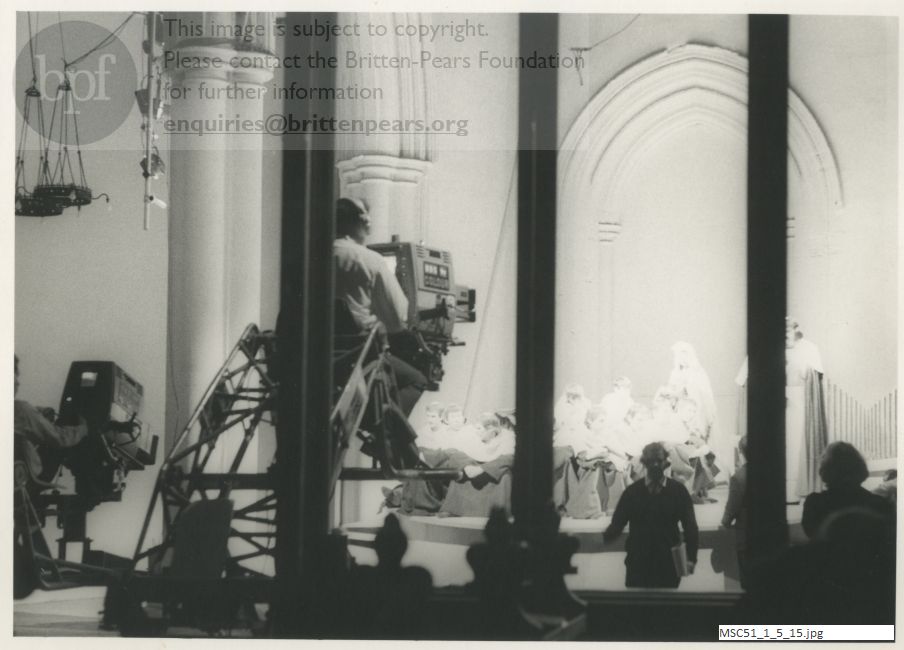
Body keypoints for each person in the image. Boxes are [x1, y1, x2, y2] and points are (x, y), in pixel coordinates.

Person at [333, 197, 426, 415]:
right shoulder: (369, 260)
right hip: (355, 356)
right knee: (416, 379)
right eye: (366, 214)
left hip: (312, 354)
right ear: (359, 221)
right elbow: (398, 318)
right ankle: (381, 427)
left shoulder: (310, 256)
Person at [602, 442, 699, 588]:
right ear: (644, 463)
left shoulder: (678, 492)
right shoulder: (632, 493)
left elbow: (691, 528)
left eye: (658, 461)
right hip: (639, 563)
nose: (654, 465)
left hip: (667, 564)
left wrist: (691, 558)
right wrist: (604, 538)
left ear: (666, 462)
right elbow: (617, 525)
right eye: (650, 461)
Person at [13, 355, 88, 481]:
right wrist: (83, 429)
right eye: (14, 376)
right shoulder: (19, 410)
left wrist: (38, 413)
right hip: (25, 481)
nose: (18, 383)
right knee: (67, 425)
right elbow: (59, 438)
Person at [801, 442, 895, 539]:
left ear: (825, 470)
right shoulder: (880, 504)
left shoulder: (814, 503)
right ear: (859, 468)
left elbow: (813, 536)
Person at [720, 435, 748, 588]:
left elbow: (731, 510)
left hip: (746, 538)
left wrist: (725, 522)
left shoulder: (739, 477)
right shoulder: (770, 472)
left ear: (741, 452)